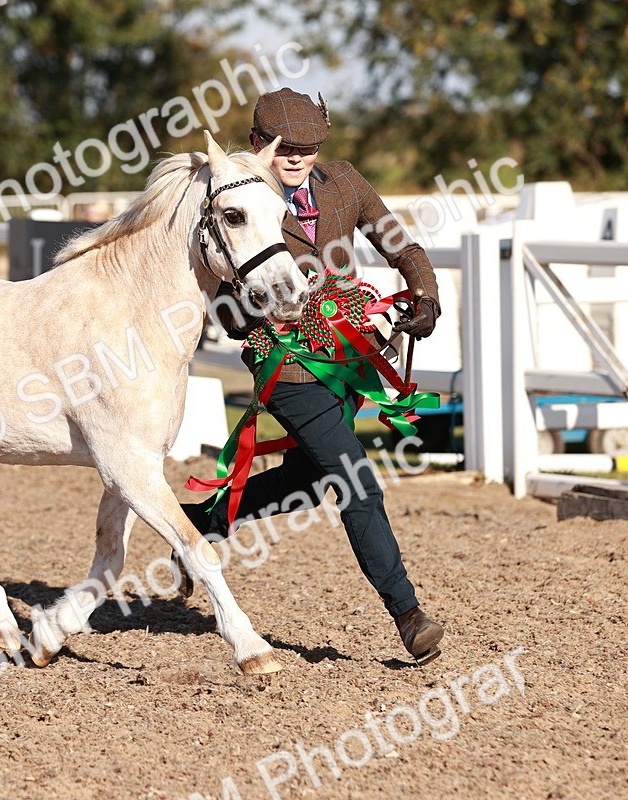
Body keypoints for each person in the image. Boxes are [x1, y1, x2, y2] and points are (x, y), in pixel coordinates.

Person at [177, 87, 446, 665]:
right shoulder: (239, 195)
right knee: (356, 481)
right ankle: (408, 615)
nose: (298, 158)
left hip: (349, 356)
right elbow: (222, 289)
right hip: (286, 364)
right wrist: (257, 321)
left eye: (310, 147)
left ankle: (199, 523)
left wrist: (424, 293)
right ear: (258, 143)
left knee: (306, 481)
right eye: (286, 148)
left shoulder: (344, 181)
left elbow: (398, 242)